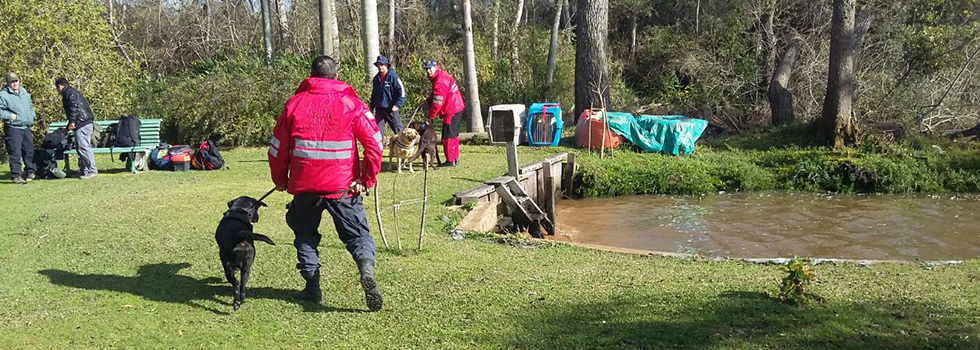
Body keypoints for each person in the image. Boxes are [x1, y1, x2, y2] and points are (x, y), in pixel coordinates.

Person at [268, 56, 385, 311]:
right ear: (335, 75)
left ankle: (313, 289)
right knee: (357, 236)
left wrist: (280, 180)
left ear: (310, 75)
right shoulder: (352, 104)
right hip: (343, 188)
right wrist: (366, 179)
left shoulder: (293, 105)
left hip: (305, 188)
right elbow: (375, 143)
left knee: (305, 236)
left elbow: (277, 149)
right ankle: (366, 268)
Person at [423, 60, 465, 167]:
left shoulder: (440, 81)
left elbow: (438, 102)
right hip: (456, 106)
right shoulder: (440, 77)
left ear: (436, 67)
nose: (428, 71)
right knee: (453, 134)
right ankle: (455, 158)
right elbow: (435, 94)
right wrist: (428, 100)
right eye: (426, 69)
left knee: (448, 136)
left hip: (452, 109)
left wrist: (430, 116)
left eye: (430, 68)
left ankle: (450, 160)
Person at [55, 77, 98, 179]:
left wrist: (73, 122)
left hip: (82, 123)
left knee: (84, 148)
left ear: (60, 86)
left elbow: (74, 108)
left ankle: (92, 170)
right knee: (80, 148)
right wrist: (68, 127)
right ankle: (84, 171)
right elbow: (73, 111)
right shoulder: (71, 92)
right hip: (82, 122)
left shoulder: (69, 93)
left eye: (57, 88)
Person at [0, 72, 36, 184]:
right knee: (15, 152)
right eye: (12, 82)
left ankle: (31, 172)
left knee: (29, 150)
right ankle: (16, 175)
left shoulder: (24, 92)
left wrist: (32, 115)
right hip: (13, 127)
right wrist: (10, 116)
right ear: (8, 83)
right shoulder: (3, 95)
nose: (15, 84)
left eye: (16, 81)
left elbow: (30, 105)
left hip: (26, 126)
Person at [369, 55, 407, 142]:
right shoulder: (376, 79)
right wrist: (371, 107)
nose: (380, 67)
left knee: (399, 132)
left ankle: (405, 152)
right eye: (378, 65)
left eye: (382, 64)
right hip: (379, 110)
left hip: (391, 110)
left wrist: (397, 105)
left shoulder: (393, 76)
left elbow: (402, 92)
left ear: (386, 65)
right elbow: (374, 94)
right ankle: (378, 152)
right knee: (377, 132)